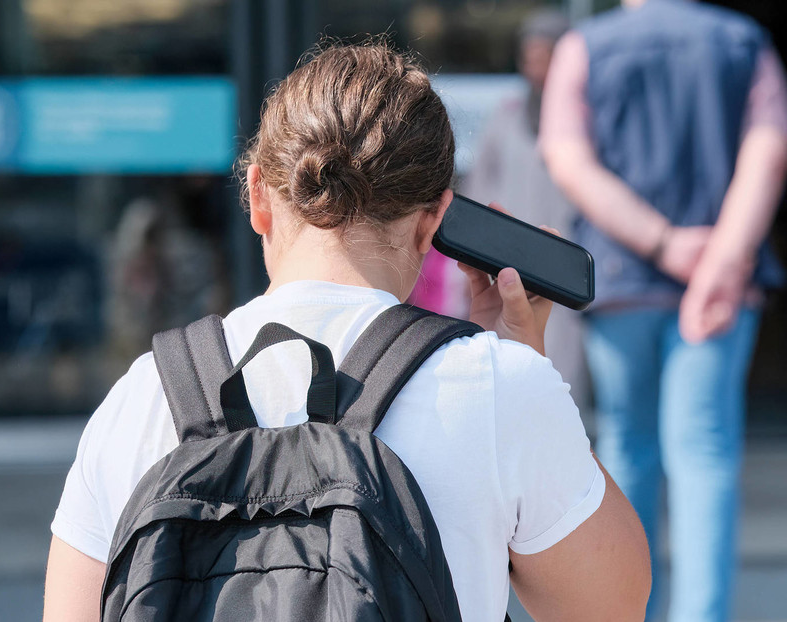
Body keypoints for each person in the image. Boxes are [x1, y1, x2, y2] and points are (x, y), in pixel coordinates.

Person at [43, 42, 650, 622]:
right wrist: (524, 363)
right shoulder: (497, 385)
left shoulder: (143, 396)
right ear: (435, 220)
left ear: (257, 196)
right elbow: (612, 609)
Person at [539, 1, 787, 620]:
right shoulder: (743, 41)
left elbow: (569, 160)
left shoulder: (585, 47)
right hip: (719, 289)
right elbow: (770, 149)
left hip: (622, 282)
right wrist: (723, 259)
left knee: (627, 448)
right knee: (705, 453)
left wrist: (660, 242)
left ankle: (625, 610)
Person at [462, 8, 591, 409]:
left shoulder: (588, 118)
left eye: (545, 57)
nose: (536, 68)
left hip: (566, 264)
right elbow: (480, 186)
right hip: (510, 265)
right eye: (529, 57)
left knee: (564, 377)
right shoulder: (507, 116)